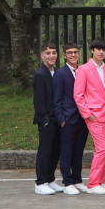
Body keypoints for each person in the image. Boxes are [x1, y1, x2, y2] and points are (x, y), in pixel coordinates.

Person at [73, 37, 105, 195]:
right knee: (102, 148)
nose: (101, 52)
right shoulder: (83, 69)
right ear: (92, 50)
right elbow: (78, 95)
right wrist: (87, 114)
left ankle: (100, 181)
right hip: (94, 115)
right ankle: (93, 183)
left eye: (104, 49)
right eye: (98, 49)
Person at [53, 42, 89, 195]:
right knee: (66, 151)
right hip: (68, 119)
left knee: (78, 151)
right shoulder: (60, 74)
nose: (73, 55)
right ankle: (67, 182)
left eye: (75, 52)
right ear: (64, 55)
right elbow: (57, 99)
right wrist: (62, 119)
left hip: (83, 118)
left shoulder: (83, 71)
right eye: (70, 52)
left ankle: (77, 179)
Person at [32, 41, 62, 195]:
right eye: (48, 53)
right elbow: (39, 101)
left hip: (57, 119)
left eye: (54, 52)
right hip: (47, 121)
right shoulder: (40, 74)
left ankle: (50, 179)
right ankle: (40, 182)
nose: (52, 56)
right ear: (42, 55)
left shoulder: (55, 72)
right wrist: (44, 121)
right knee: (45, 151)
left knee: (55, 151)